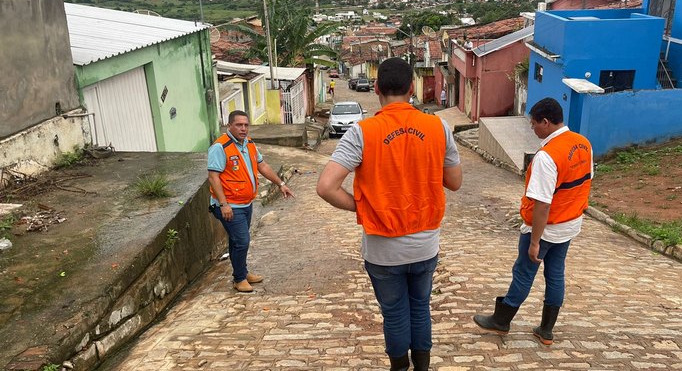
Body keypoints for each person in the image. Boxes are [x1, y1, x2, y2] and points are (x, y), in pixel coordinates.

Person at [316, 57, 463, 371]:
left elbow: (326, 187)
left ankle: (399, 368)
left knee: (395, 313)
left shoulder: (362, 132)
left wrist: (363, 204)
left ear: (378, 88)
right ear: (412, 89)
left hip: (383, 248)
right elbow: (455, 182)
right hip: (425, 243)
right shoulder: (438, 126)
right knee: (420, 308)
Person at [472, 97, 593, 346]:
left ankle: (501, 320)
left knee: (524, 273)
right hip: (569, 224)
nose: (532, 128)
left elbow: (542, 204)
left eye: (534, 123)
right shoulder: (583, 144)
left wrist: (535, 241)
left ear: (546, 122)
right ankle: (546, 330)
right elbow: (586, 180)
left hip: (545, 227)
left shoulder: (547, 157)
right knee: (556, 274)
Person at [208, 110, 295, 293]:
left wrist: (280, 183)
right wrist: (224, 204)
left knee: (237, 240)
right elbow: (213, 177)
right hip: (229, 205)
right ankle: (239, 279)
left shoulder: (249, 144)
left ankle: (242, 272)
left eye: (246, 125)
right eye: (239, 125)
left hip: (246, 203)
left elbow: (262, 165)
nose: (243, 128)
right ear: (229, 126)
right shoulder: (220, 147)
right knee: (242, 241)